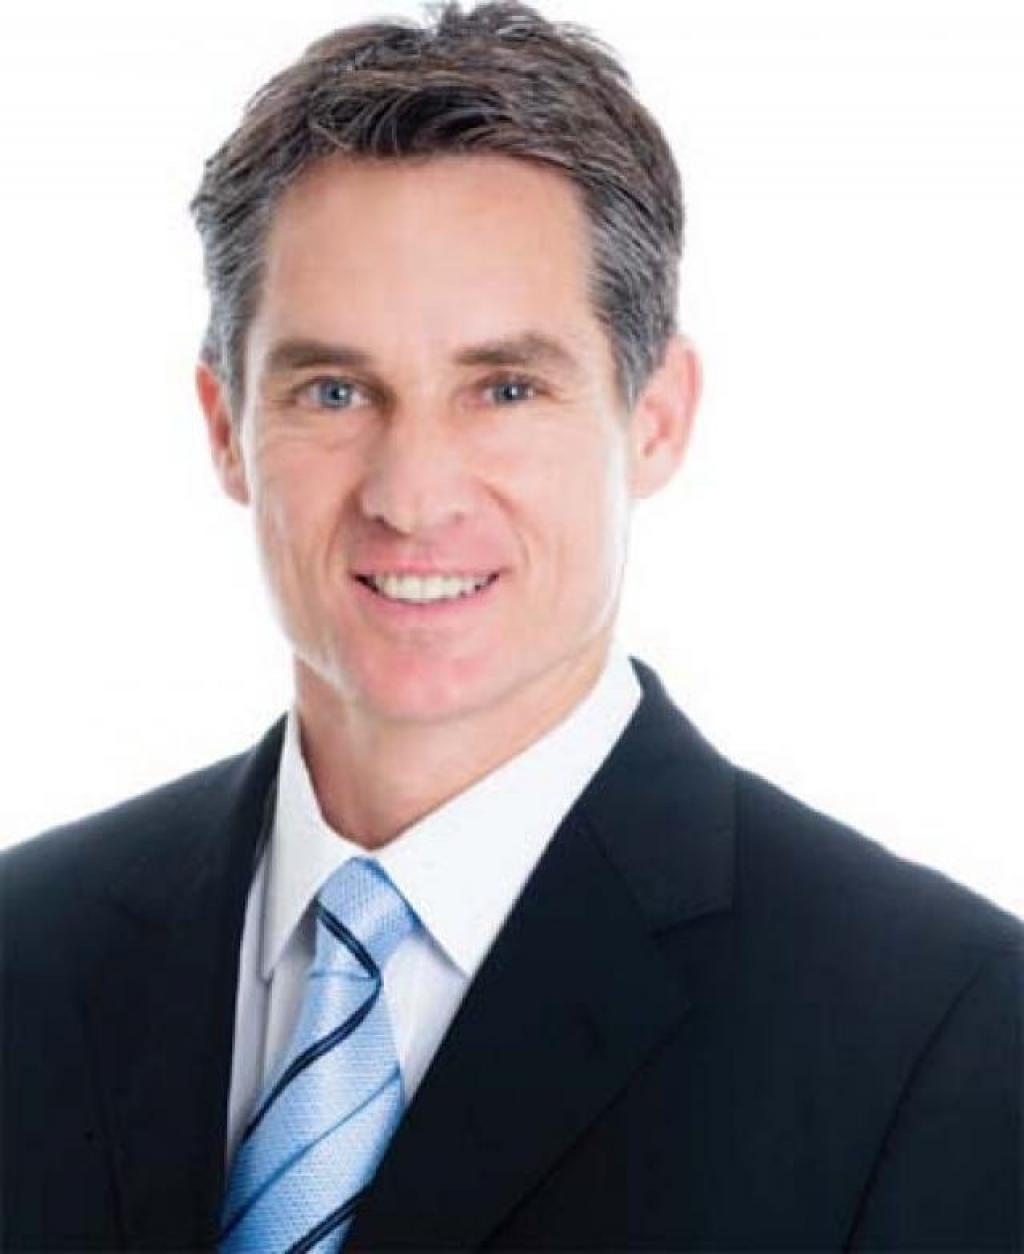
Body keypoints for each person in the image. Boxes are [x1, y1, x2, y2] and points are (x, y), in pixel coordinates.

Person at [2, 2, 1020, 1250]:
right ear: (226, 428)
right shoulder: (25, 953)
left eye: (503, 388)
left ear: (654, 417)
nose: (411, 494)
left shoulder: (940, 1033)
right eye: (335, 389)